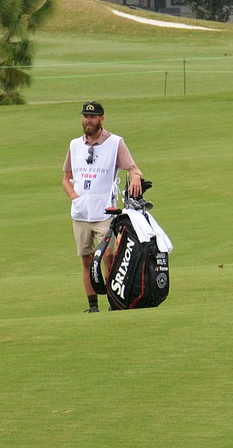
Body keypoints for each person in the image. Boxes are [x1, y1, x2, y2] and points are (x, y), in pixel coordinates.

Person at [62, 101, 143, 312]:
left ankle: (113, 302)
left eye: (93, 117)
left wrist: (135, 177)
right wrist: (74, 197)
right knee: (86, 259)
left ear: (102, 119)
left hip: (105, 212)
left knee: (108, 256)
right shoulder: (75, 145)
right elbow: (66, 177)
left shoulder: (115, 143)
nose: (88, 121)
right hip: (80, 213)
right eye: (85, 117)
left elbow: (133, 168)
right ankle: (92, 305)